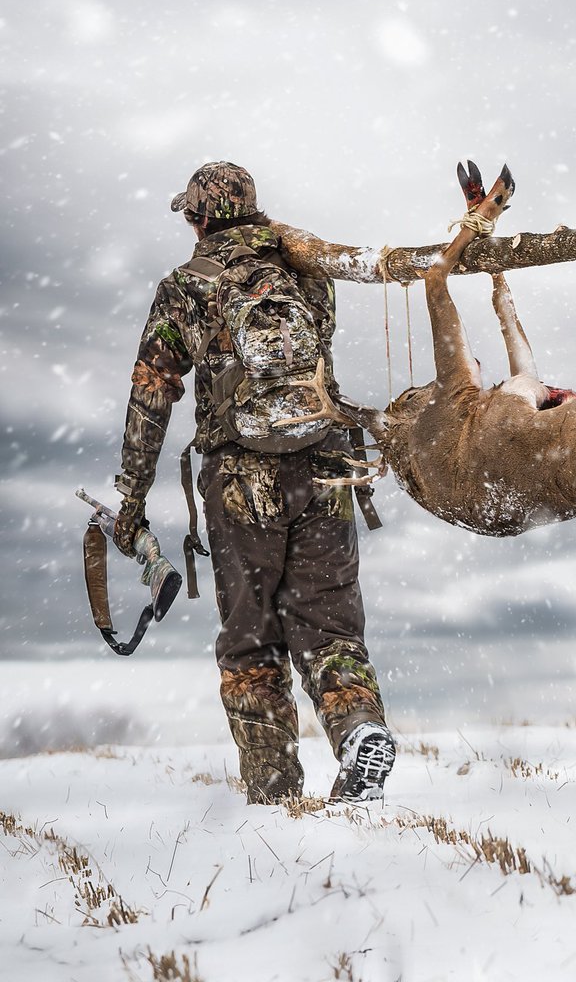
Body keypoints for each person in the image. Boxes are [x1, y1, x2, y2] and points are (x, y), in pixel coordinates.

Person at [113, 162, 395, 805]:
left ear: (197, 216)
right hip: (325, 465)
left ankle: (274, 796)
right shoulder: (310, 276)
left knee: (250, 641)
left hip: (239, 479)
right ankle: (359, 731)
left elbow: (151, 394)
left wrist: (131, 498)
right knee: (330, 628)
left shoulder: (186, 285)